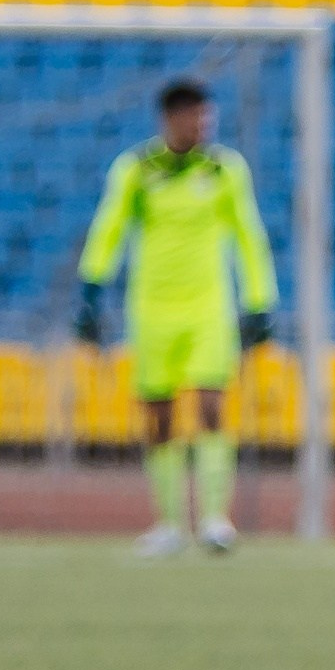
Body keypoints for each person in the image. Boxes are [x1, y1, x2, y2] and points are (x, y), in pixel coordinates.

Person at [74, 78, 277, 557]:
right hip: (151, 310)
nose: (203, 125)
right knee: (159, 416)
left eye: (208, 117)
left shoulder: (225, 169)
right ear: (171, 118)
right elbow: (110, 227)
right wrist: (91, 286)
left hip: (208, 307)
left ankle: (214, 520)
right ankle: (167, 523)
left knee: (210, 404)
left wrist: (259, 299)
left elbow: (248, 234)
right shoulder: (137, 170)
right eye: (194, 116)